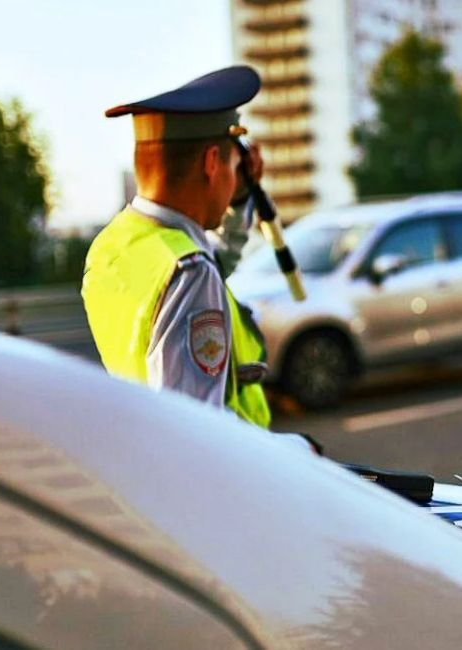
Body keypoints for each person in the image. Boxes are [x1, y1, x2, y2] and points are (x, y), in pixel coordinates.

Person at [82, 66, 314, 452]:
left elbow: (212, 257)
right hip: (224, 483)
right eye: (233, 168)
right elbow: (197, 430)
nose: (234, 179)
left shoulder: (115, 246)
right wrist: (299, 451)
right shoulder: (189, 271)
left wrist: (238, 201)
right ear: (211, 163)